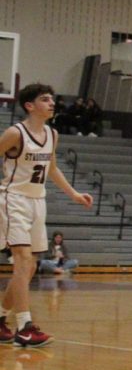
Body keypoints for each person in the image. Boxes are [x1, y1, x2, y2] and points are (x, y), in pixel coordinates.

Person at [0, 84, 94, 346]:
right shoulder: (14, 133)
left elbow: (51, 168)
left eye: (52, 99)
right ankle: (25, 327)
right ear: (30, 106)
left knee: (29, 267)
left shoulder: (52, 134)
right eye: (45, 99)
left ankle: (1, 319)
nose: (52, 103)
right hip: (13, 199)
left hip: (37, 201)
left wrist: (73, 194)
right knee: (22, 261)